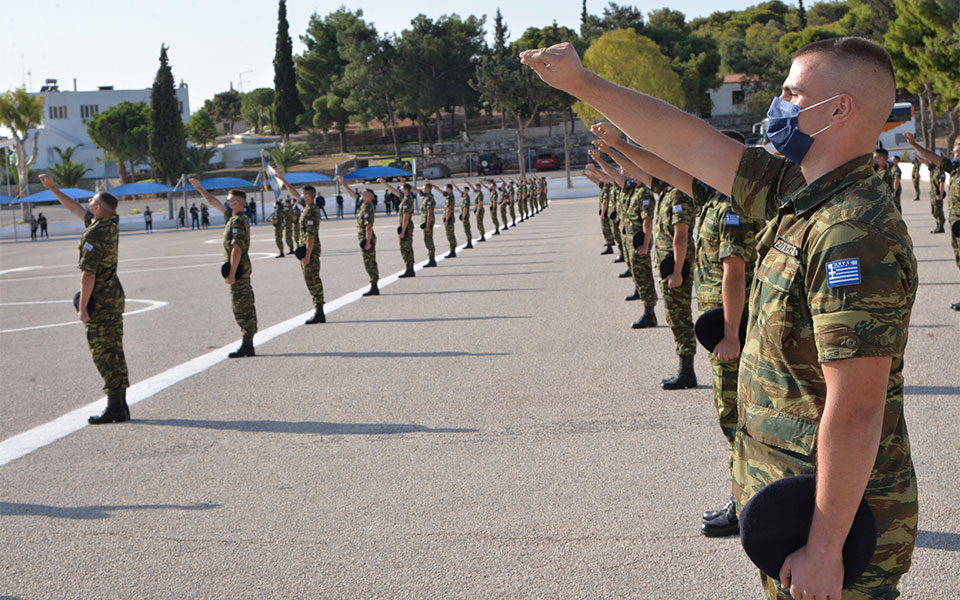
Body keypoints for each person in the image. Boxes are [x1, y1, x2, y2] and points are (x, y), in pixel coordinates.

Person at [523, 37, 918, 599]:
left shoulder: (851, 234)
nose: (778, 104)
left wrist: (826, 550)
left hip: (834, 526)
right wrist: (584, 85)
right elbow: (691, 141)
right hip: (795, 501)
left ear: (838, 110)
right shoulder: (796, 192)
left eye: (792, 92)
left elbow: (857, 410)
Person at [39, 174, 130, 423]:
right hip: (113, 297)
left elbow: (88, 274)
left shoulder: (93, 235)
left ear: (98, 208)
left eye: (92, 200)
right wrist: (53, 188)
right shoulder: (110, 225)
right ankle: (120, 404)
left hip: (99, 301)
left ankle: (114, 407)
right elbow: (75, 208)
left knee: (102, 353)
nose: (88, 202)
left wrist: (82, 308)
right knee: (115, 350)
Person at [190, 179, 258, 357]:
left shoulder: (238, 221)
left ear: (238, 202)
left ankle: (247, 344)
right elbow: (214, 202)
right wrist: (199, 188)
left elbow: (236, 249)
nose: (227, 202)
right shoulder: (233, 217)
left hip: (239, 269)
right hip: (239, 268)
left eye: (230, 200)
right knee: (241, 305)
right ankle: (247, 343)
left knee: (242, 306)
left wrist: (232, 274)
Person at [904, 132, 960, 310]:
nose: (954, 155)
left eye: (957, 152)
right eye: (953, 152)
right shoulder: (955, 170)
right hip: (956, 226)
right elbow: (934, 158)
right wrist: (914, 144)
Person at [277, 174, 325, 324]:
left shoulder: (311, 211)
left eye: (304, 194)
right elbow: (295, 194)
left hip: (310, 251)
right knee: (310, 280)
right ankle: (318, 310)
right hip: (307, 250)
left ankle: (319, 312)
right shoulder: (308, 207)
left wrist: (308, 255)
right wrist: (284, 181)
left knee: (313, 280)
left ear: (309, 196)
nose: (301, 196)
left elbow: (310, 237)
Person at [338, 176, 380, 296]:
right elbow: (352, 195)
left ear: (370, 196)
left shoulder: (368, 207)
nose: (361, 194)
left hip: (368, 238)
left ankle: (374, 286)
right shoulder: (363, 204)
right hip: (365, 238)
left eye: (364, 193)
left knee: (370, 262)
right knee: (368, 262)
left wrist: (367, 241)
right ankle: (373, 285)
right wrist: (343, 183)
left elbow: (369, 226)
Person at [379, 177, 416, 277]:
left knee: (406, 247)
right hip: (404, 225)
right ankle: (410, 269)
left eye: (402, 188)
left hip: (406, 226)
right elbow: (394, 191)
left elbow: (406, 216)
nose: (400, 189)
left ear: (406, 190)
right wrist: (384, 183)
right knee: (406, 247)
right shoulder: (404, 198)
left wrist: (403, 230)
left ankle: (409, 268)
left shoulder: (408, 200)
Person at [418, 179, 438, 267]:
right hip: (425, 221)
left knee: (429, 240)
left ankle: (432, 259)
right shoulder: (426, 196)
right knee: (427, 240)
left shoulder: (429, 198)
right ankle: (431, 258)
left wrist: (428, 225)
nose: (423, 190)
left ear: (428, 189)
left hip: (428, 221)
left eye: (424, 188)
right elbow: (416, 190)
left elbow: (429, 212)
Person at [873, 148, 900, 213]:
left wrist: (894, 192)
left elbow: (896, 180)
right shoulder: (876, 170)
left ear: (882, 159)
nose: (874, 160)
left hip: (890, 198)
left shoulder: (892, 169)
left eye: (875, 158)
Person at [442, 183, 458, 258]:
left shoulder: (450, 197)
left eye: (446, 188)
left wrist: (447, 219)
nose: (445, 190)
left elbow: (448, 209)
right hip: (449, 218)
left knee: (450, 235)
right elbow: (440, 192)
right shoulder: (449, 196)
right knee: (450, 234)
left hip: (449, 218)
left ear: (449, 189)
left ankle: (452, 251)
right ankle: (452, 250)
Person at [459, 182, 474, 249]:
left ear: (467, 191)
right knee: (466, 229)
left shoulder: (466, 198)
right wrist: (453, 184)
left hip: (465, 216)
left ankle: (469, 243)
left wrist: (463, 217)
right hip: (464, 215)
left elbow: (465, 208)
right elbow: (459, 191)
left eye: (465, 190)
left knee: (467, 229)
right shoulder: (464, 196)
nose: (463, 191)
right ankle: (469, 242)